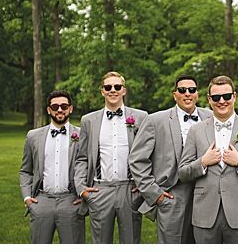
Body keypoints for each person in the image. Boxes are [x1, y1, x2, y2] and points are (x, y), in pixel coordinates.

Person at [178, 75, 238, 243]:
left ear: (234, 96)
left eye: (226, 96)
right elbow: (183, 173)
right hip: (205, 215)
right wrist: (203, 162)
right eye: (216, 97)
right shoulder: (196, 131)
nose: (222, 101)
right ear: (209, 99)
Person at [129, 75, 212, 243]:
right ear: (175, 95)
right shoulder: (155, 120)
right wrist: (155, 194)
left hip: (207, 194)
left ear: (197, 94)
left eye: (192, 90)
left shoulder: (211, 117)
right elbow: (137, 160)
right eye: (182, 90)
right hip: (173, 195)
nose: (187, 93)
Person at [74, 71, 148, 243]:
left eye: (117, 86)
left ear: (124, 90)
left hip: (130, 189)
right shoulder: (88, 121)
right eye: (108, 87)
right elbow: (82, 158)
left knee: (131, 242)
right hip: (100, 190)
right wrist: (81, 188)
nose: (112, 90)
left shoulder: (141, 117)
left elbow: (149, 154)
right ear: (102, 91)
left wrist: (143, 184)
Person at [21, 90, 86, 243]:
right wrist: (27, 198)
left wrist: (84, 197)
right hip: (41, 202)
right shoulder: (33, 136)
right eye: (55, 106)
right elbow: (25, 170)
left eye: (64, 106)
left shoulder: (82, 135)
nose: (60, 110)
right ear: (49, 110)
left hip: (71, 201)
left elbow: (91, 166)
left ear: (70, 109)